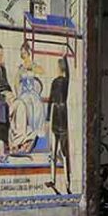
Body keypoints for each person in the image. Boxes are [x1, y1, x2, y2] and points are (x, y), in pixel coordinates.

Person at [47, 55, 71, 194]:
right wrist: (47, 117)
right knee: (54, 151)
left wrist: (65, 59)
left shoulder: (65, 81)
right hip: (57, 115)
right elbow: (50, 99)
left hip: (61, 115)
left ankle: (67, 182)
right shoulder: (56, 81)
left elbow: (50, 100)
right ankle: (53, 179)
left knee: (62, 151)